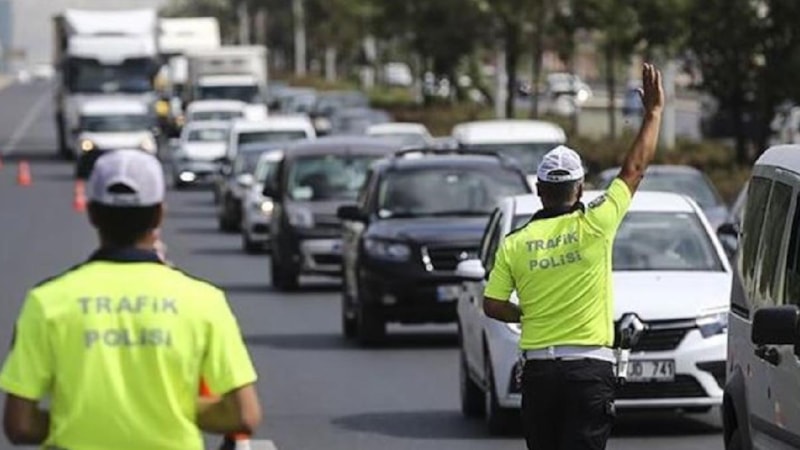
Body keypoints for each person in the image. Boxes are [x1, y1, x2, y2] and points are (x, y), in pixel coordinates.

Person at [0, 149, 262, 449]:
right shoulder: (204, 301)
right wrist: (169, 411)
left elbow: (19, 425)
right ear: (160, 213)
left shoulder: (47, 302)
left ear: (92, 212)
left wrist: (75, 419)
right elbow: (244, 415)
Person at [482, 63, 664, 450]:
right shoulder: (597, 224)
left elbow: (493, 304)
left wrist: (528, 314)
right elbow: (634, 169)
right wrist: (653, 114)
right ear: (580, 189)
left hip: (539, 373)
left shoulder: (516, 242)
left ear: (538, 189)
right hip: (589, 371)